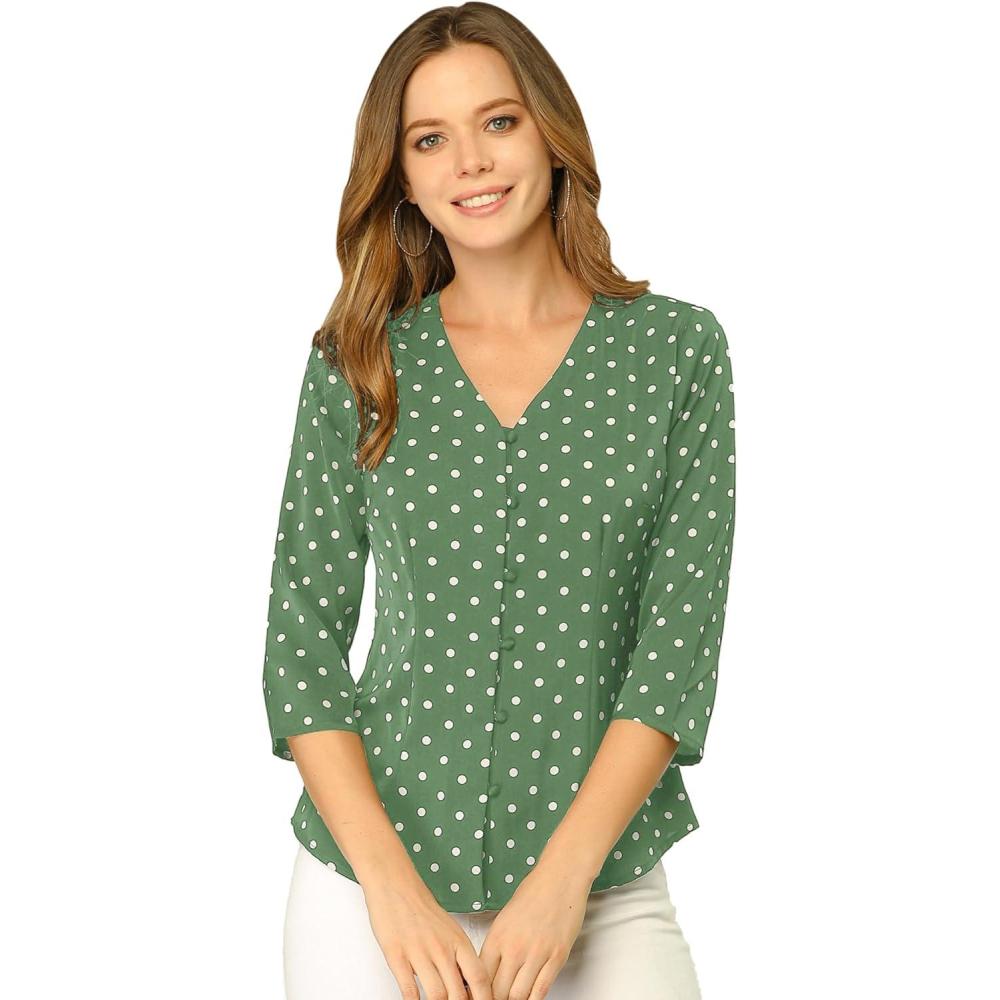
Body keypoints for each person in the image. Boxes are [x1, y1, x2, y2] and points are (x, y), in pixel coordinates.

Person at [261, 4, 736, 998]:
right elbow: (302, 646)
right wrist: (390, 892)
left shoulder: (676, 353)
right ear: (401, 175)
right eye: (429, 139)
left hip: (598, 885)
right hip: (373, 888)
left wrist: (563, 883)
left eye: (499, 121)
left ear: (551, 135)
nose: (470, 161)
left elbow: (673, 651)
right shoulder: (359, 362)